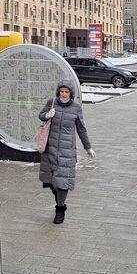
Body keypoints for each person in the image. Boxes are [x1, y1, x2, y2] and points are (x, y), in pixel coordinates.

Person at [38, 80, 94, 225]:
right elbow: (41, 115)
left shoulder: (76, 108)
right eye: (61, 91)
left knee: (63, 182)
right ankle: (59, 199)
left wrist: (88, 147)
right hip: (50, 148)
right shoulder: (52, 102)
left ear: (71, 94)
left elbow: (81, 129)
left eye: (66, 92)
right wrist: (47, 115)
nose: (63, 94)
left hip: (66, 150)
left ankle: (60, 209)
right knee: (50, 181)